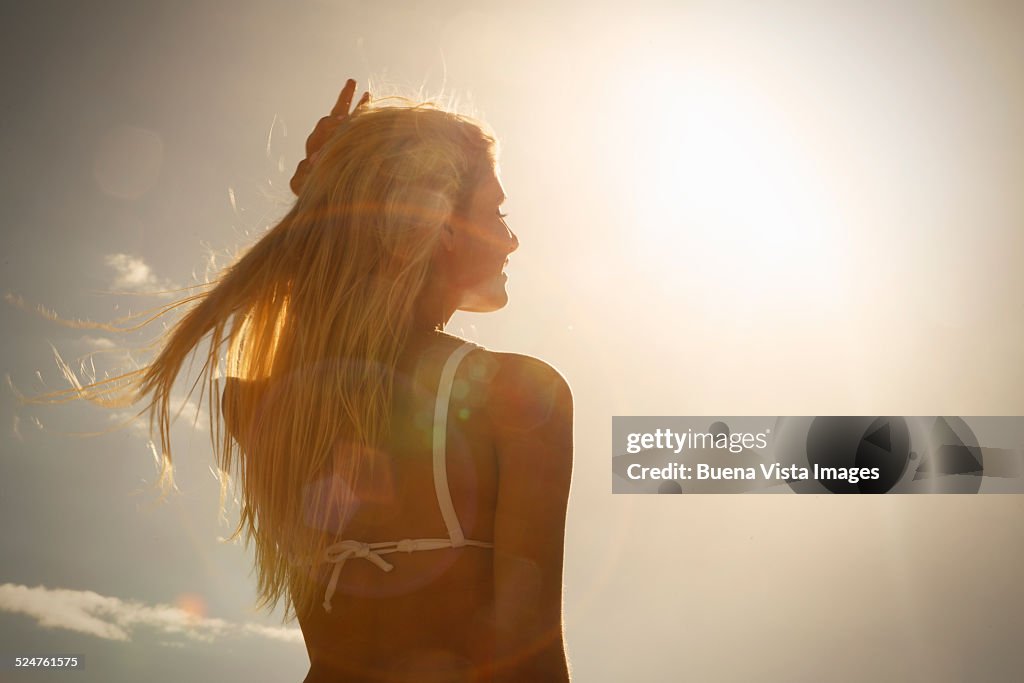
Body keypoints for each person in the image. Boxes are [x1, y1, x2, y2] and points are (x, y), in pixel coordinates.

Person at [136, 79, 573, 681]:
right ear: (439, 228)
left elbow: (329, 299)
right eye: (495, 211)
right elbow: (532, 655)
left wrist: (325, 202)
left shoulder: (263, 410)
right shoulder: (519, 395)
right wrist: (327, 197)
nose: (511, 239)